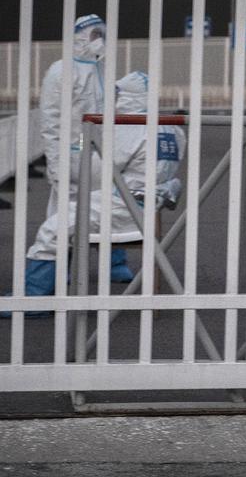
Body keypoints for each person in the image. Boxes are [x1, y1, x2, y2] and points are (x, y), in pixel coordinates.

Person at [3, 71, 184, 318]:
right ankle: (109, 269)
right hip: (145, 203)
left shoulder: (131, 126)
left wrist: (74, 152)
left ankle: (34, 301)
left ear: (129, 96)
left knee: (52, 230)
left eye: (119, 93)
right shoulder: (170, 128)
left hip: (123, 205)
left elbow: (95, 171)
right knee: (70, 220)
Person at [22, 14, 134, 296]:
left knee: (106, 209)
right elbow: (50, 122)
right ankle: (52, 278)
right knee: (61, 218)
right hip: (72, 157)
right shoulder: (61, 71)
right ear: (80, 37)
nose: (100, 41)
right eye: (94, 35)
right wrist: (56, 164)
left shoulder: (102, 70)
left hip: (101, 158)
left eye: (102, 35)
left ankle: (113, 263)